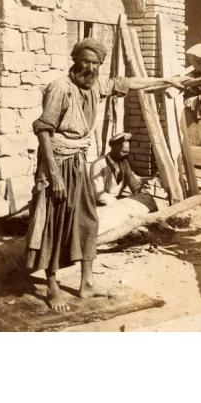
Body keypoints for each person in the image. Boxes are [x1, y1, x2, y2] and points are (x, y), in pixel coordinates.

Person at [25, 38, 176, 312]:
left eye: (96, 63)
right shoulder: (60, 88)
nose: (91, 68)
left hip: (78, 162)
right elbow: (44, 132)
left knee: (88, 219)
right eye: (86, 61)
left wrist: (168, 80)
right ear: (75, 61)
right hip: (56, 163)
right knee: (54, 223)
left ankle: (86, 284)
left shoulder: (96, 87)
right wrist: (55, 177)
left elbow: (129, 83)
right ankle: (52, 286)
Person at [90, 131, 157, 212]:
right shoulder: (99, 164)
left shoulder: (123, 162)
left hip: (117, 201)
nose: (126, 155)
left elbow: (133, 183)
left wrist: (143, 194)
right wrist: (118, 204)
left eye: (128, 152)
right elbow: (98, 194)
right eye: (123, 152)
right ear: (114, 148)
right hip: (100, 204)